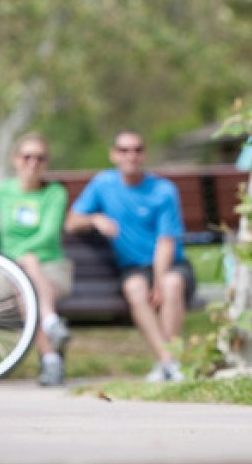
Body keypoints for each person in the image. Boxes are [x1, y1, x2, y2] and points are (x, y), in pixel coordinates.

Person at [64, 130, 195, 382]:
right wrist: (94, 218)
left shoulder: (163, 190)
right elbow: (72, 222)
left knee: (171, 284)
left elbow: (166, 241)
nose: (131, 156)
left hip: (170, 264)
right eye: (124, 150)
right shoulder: (103, 184)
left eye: (137, 150)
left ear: (144, 154)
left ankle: (169, 362)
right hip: (133, 269)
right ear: (114, 155)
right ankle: (167, 362)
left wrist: (158, 280)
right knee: (135, 288)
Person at [0, 134, 73, 386]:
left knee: (29, 279)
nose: (33, 163)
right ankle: (51, 325)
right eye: (27, 156)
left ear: (47, 163)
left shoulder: (55, 193)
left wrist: (23, 255)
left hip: (51, 266)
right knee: (24, 283)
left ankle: (50, 360)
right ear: (15, 160)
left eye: (40, 157)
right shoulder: (2, 191)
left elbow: (49, 234)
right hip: (10, 270)